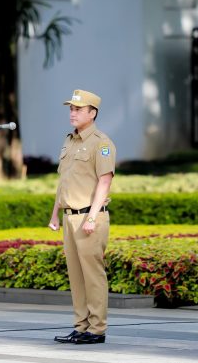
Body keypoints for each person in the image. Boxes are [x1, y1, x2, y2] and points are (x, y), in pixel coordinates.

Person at [49, 89, 116, 344]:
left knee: (93, 275)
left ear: (92, 113)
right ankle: (81, 326)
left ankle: (97, 329)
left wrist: (92, 217)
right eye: (71, 109)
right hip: (69, 217)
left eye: (78, 109)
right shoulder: (69, 141)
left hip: (90, 217)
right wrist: (55, 214)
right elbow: (64, 181)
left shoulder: (102, 143)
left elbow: (104, 182)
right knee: (76, 277)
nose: (73, 113)